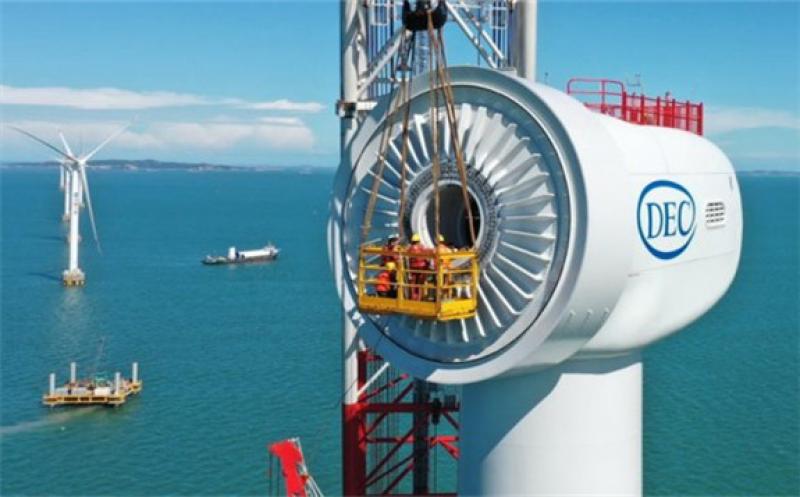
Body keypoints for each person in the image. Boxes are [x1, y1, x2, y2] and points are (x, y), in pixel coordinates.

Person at [407, 233, 430, 300]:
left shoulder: (410, 248)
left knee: (413, 282)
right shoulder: (422, 247)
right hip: (422, 268)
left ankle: (413, 297)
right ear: (419, 241)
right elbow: (427, 257)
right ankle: (419, 298)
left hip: (413, 268)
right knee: (420, 283)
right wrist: (428, 265)